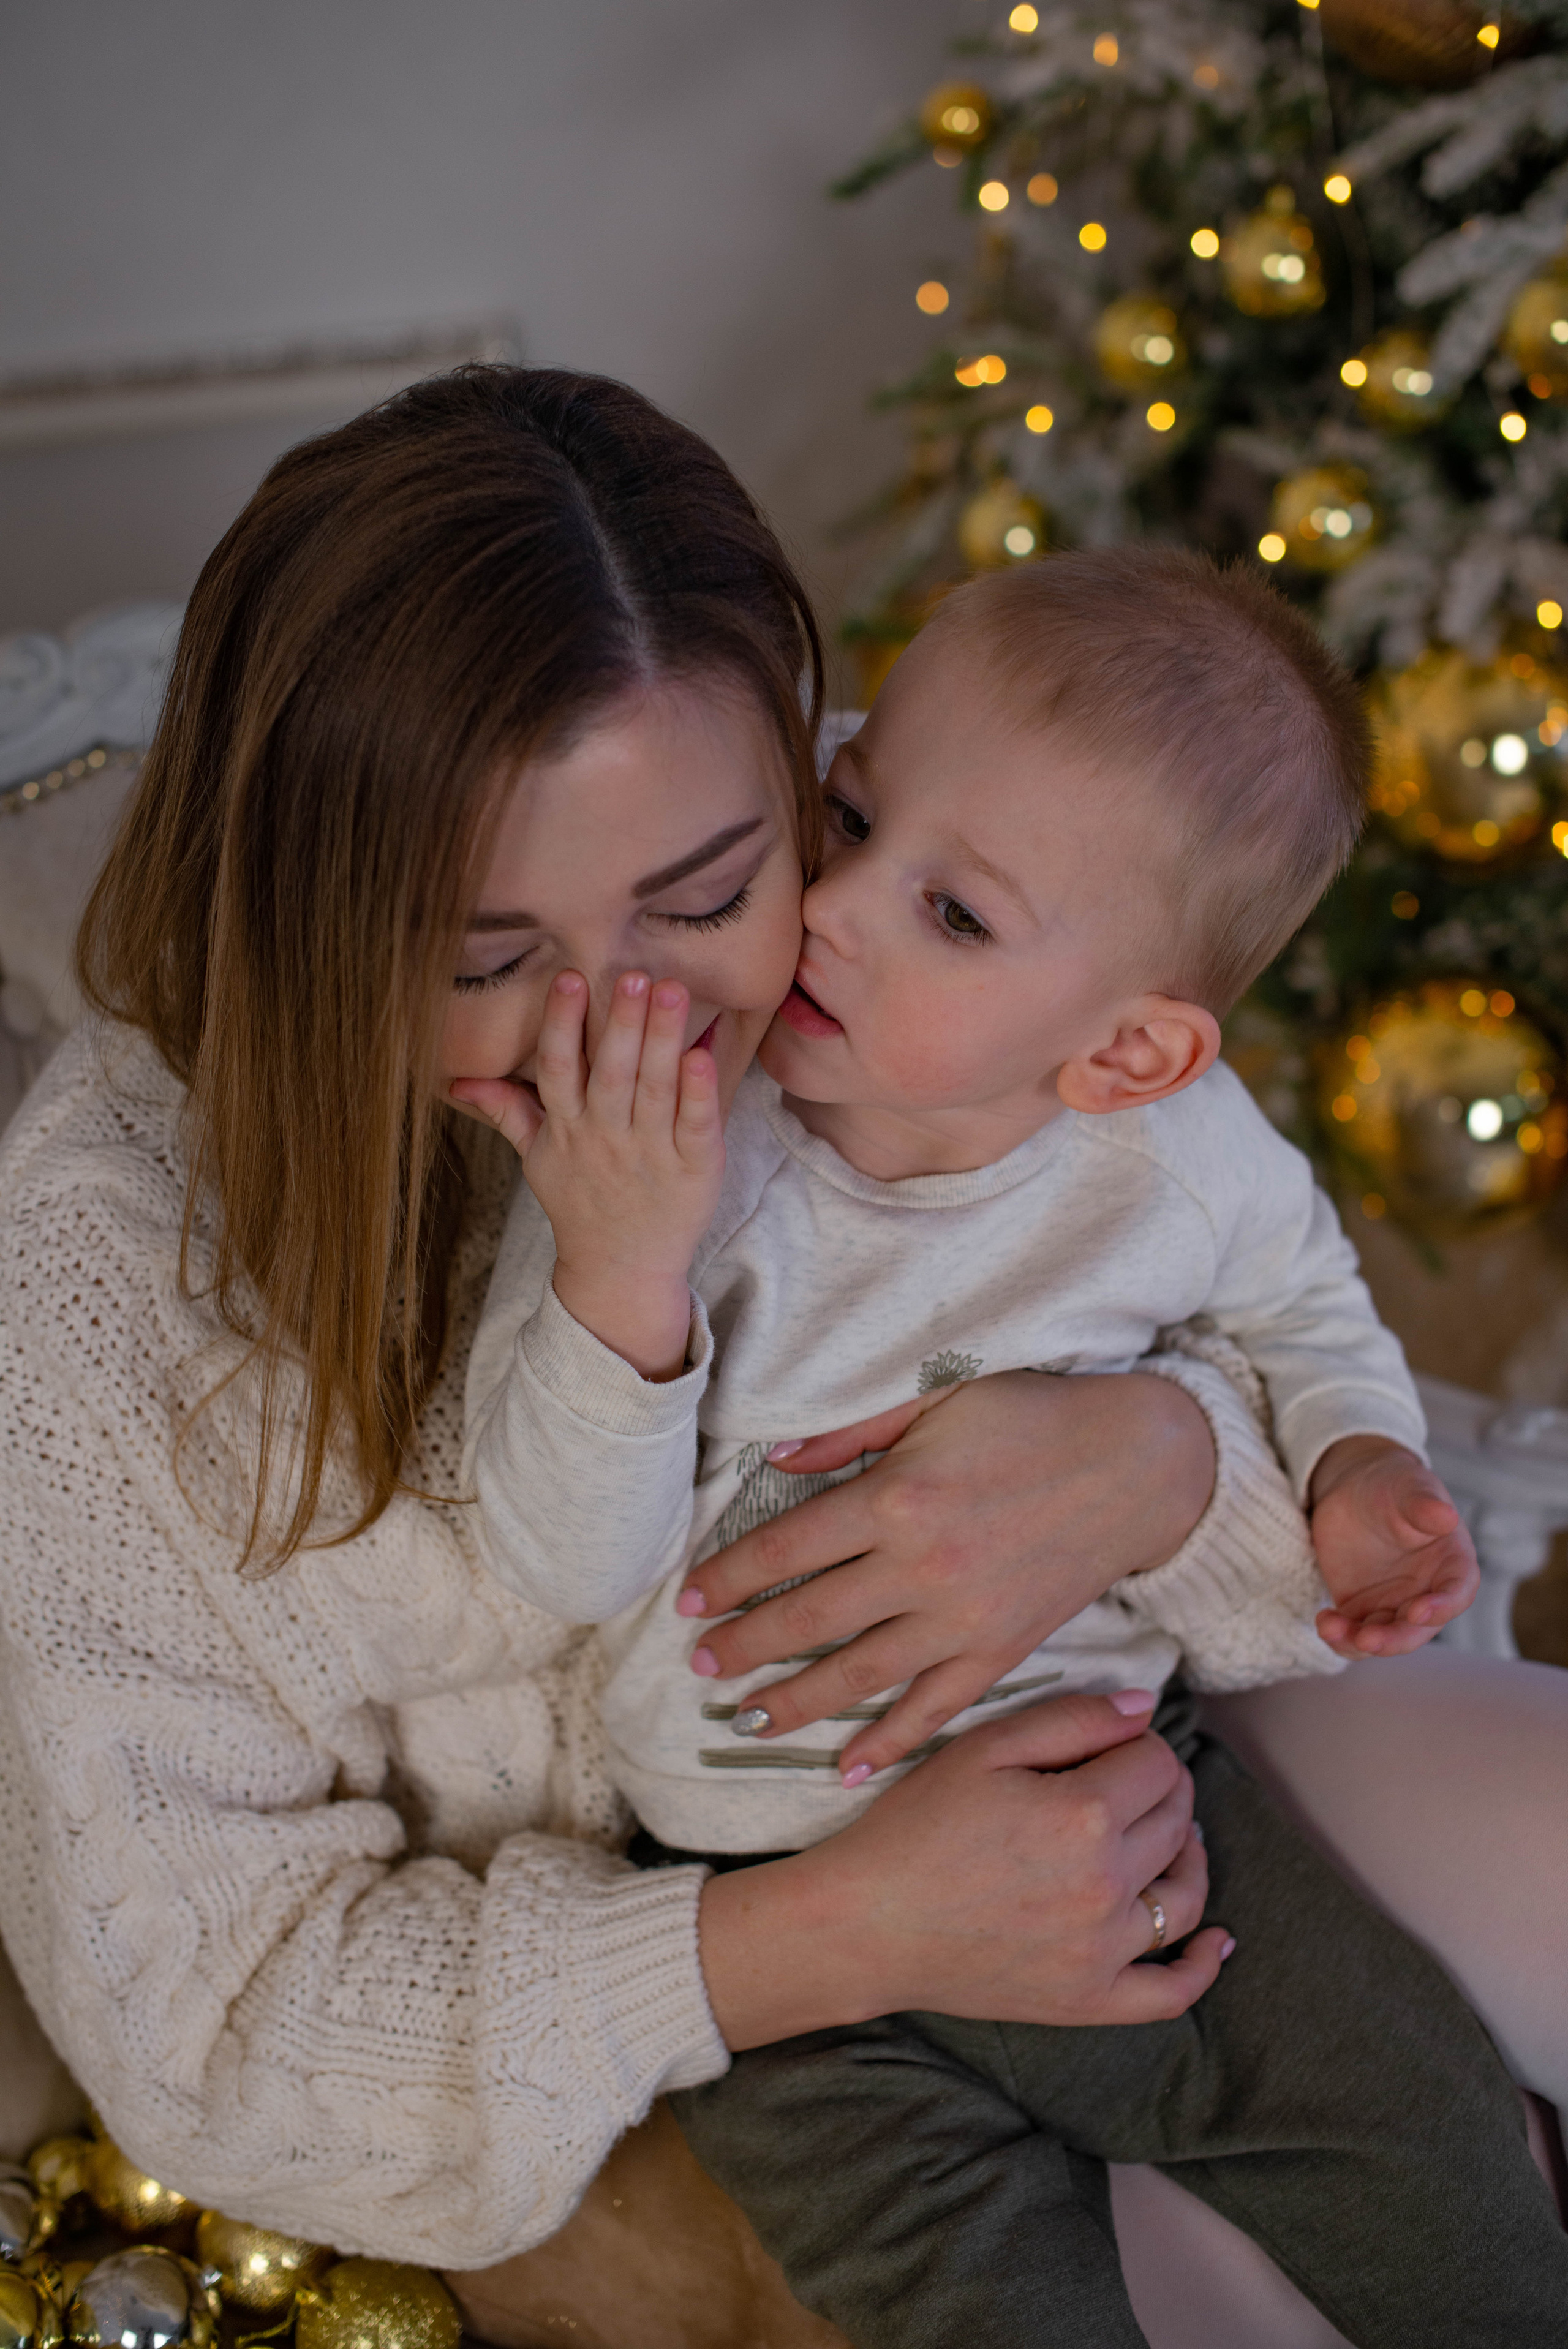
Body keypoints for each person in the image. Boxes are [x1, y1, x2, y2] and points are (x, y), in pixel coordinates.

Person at [0, 368, 1561, 2349]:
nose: (627, 1027)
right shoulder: (104, 1262)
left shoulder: (900, 917)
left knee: (1486, 2037)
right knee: (1222, 2295)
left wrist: (1157, 1463)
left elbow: (1215, 1338)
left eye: (712, 890)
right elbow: (215, 2029)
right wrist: (816, 1935)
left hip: (1076, 1724)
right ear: (309, 911)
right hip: (638, 2009)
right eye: (487, 955)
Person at [461, 548, 1566, 2345]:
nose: (836, 903)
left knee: (1418, 2133)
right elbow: (552, 1567)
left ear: (1129, 1052)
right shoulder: (674, 1150)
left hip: (1135, 1817)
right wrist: (620, 1278)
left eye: (954, 914)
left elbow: (1304, 1314)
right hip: (781, 1914)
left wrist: (1361, 1463)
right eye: (848, 810)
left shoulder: (1179, 1160)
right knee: (977, 2301)